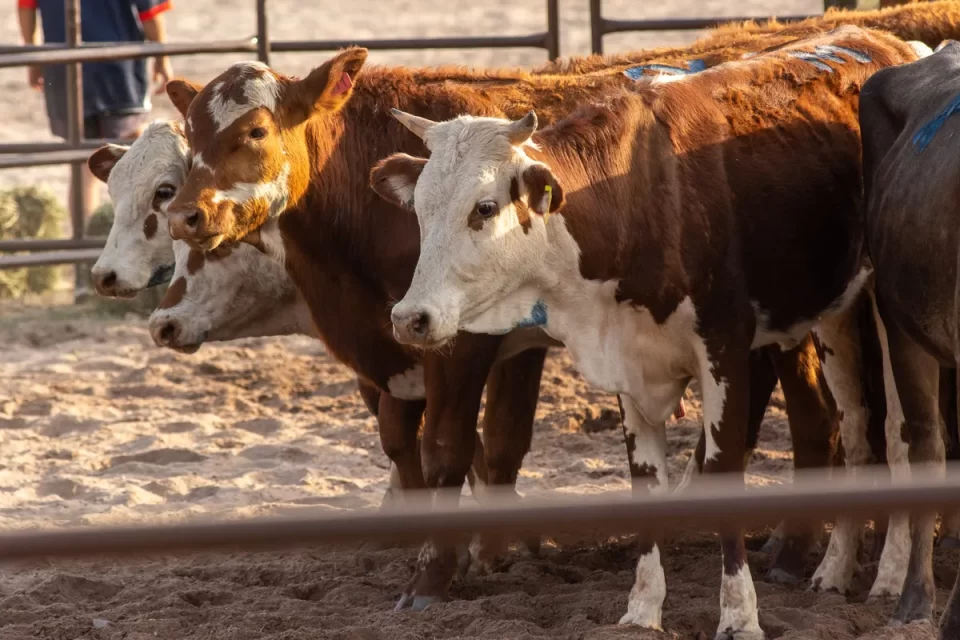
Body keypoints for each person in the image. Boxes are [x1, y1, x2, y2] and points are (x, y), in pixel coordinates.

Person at [17, 0, 174, 217]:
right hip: (119, 67)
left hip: (64, 65)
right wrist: (162, 57)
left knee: (83, 159)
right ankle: (138, 230)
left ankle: (86, 237)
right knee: (133, 147)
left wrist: (34, 57)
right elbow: (150, 11)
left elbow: (26, 6)